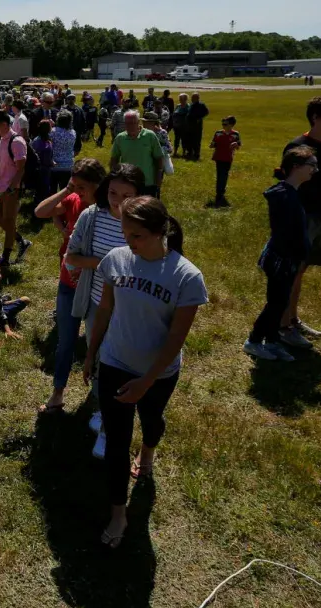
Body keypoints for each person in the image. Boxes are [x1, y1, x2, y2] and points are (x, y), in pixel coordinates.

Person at [83, 196, 207, 548]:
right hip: (114, 363)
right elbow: (105, 310)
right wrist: (91, 353)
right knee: (117, 442)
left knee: (152, 421)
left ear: (159, 233)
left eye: (136, 235)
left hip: (158, 374)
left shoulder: (186, 277)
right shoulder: (116, 260)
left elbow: (175, 338)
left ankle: (149, 452)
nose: (128, 243)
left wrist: (147, 381)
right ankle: (119, 512)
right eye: (125, 233)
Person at [65, 164, 145, 454]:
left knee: (121, 361)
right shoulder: (91, 217)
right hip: (97, 302)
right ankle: (102, 405)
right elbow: (71, 256)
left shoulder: (145, 221)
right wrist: (101, 264)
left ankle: (113, 416)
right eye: (113, 192)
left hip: (130, 307)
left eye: (127, 195)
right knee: (98, 355)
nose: (118, 200)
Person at [35, 158, 107, 413]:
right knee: (65, 340)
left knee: (97, 344)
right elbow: (40, 212)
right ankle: (58, 393)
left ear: (99, 186)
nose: (78, 192)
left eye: (83, 187)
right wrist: (67, 190)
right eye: (74, 186)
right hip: (68, 282)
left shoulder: (109, 213)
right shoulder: (74, 200)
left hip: (98, 290)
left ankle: (98, 396)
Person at [279, 95, 321, 348]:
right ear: (315, 117)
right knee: (292, 271)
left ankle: (292, 319)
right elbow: (286, 186)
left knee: (301, 271)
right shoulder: (297, 146)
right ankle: (284, 327)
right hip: (301, 216)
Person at [244, 146, 316, 361]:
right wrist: (298, 252)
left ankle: (273, 340)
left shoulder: (290, 193)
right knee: (276, 303)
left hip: (287, 259)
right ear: (296, 167)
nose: (316, 169)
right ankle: (254, 341)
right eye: (311, 165)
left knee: (281, 301)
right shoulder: (286, 197)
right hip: (281, 260)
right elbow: (286, 233)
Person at [0, 111, 32, 268]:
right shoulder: (1, 140)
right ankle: (21, 241)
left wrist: (12, 188)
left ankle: (5, 259)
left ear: (4, 124)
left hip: (10, 191)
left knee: (9, 221)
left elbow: (21, 169)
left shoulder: (17, 142)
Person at [110, 111, 164, 198]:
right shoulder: (120, 138)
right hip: (127, 182)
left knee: (147, 209)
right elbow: (114, 159)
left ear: (138, 122)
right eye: (127, 123)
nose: (130, 126)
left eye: (132, 123)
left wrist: (158, 178)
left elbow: (159, 158)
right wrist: (114, 177)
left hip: (148, 183)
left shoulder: (150, 136)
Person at [209, 116, 242, 207]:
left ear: (231, 125)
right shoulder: (218, 133)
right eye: (222, 123)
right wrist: (212, 145)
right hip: (218, 157)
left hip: (228, 158)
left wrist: (236, 144)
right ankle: (219, 192)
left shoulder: (235, 134)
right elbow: (213, 144)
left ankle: (220, 192)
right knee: (220, 174)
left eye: (225, 124)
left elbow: (238, 146)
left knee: (224, 175)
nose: (223, 125)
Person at [50, 111, 77, 193]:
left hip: (54, 165)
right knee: (65, 192)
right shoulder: (73, 132)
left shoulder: (52, 131)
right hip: (68, 165)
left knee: (52, 191)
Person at [31, 121, 54, 205]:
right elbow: (46, 158)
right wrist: (51, 163)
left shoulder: (36, 140)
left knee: (39, 188)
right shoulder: (46, 142)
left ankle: (37, 203)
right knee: (44, 188)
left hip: (38, 168)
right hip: (44, 168)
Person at [184, 93, 209, 161]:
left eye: (193, 98)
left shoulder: (201, 105)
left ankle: (196, 154)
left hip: (196, 126)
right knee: (189, 139)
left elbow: (206, 112)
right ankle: (190, 152)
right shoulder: (192, 105)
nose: (191, 99)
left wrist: (199, 118)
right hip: (190, 125)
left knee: (196, 140)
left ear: (197, 98)